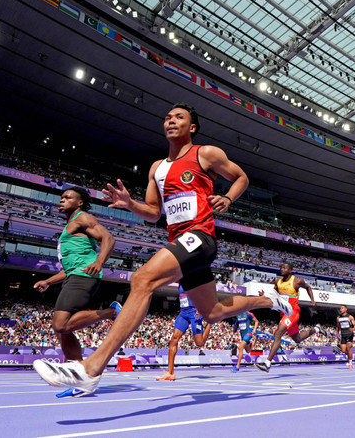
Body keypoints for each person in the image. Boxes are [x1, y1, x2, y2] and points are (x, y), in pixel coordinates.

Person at [33, 103, 292, 395]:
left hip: (200, 238)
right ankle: (269, 300)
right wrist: (131, 205)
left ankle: (91, 368)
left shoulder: (205, 153)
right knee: (213, 312)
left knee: (142, 279)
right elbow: (155, 213)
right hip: (180, 243)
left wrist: (228, 199)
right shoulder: (157, 168)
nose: (171, 120)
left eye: (179, 117)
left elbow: (241, 177)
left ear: (191, 127)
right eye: (167, 117)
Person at [32, 186, 120, 398]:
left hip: (84, 276)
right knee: (63, 332)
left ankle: (112, 312)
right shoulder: (70, 226)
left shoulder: (82, 218)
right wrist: (49, 281)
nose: (62, 200)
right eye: (61, 197)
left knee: (60, 325)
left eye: (67, 197)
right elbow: (70, 267)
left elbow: (108, 238)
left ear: (79, 203)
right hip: (74, 275)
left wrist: (100, 262)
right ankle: (80, 376)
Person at [255, 262, 326, 372]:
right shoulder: (278, 281)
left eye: (285, 268)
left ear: (290, 270)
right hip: (284, 313)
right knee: (297, 339)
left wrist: (312, 300)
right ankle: (316, 329)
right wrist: (264, 296)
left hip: (292, 312)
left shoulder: (297, 281)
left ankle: (267, 363)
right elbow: (274, 294)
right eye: (281, 267)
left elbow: (308, 287)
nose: (282, 269)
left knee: (278, 333)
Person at [156, 284, 212, 381]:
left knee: (199, 343)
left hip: (194, 313)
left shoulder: (193, 278)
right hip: (183, 314)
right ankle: (170, 373)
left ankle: (211, 322)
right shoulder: (180, 282)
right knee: (174, 339)